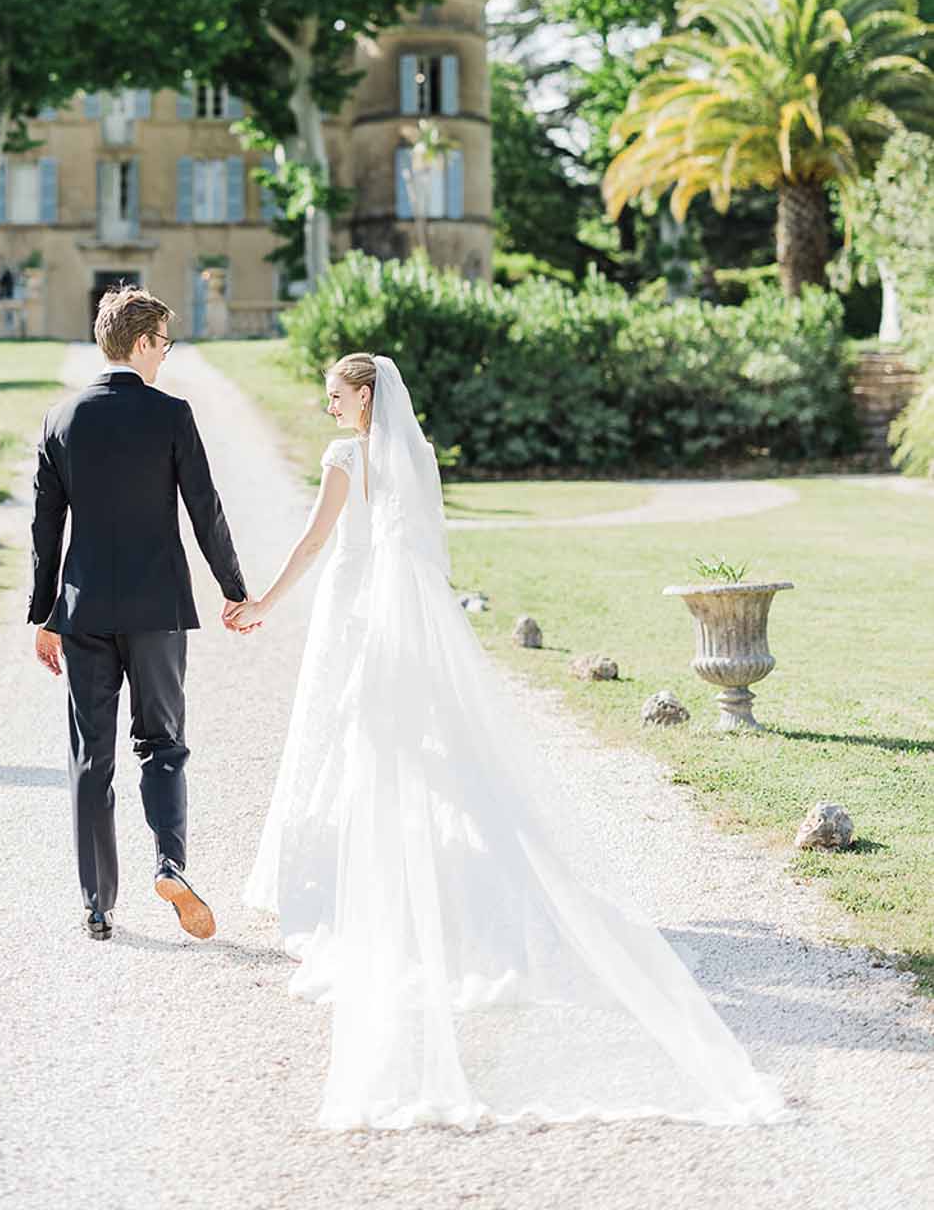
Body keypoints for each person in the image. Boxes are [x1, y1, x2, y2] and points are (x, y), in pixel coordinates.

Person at [231, 352, 787, 1132]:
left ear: (364, 396)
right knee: (402, 757)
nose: (327, 408)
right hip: (404, 616)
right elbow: (425, 549)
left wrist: (262, 602)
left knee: (353, 753)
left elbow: (316, 542)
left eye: (334, 396)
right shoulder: (413, 454)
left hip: (358, 617)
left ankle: (354, 896)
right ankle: (424, 882)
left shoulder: (346, 456)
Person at [29, 284, 255, 944]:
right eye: (165, 344)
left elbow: (47, 529)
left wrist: (44, 616)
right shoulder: (171, 415)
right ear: (143, 343)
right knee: (162, 743)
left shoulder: (60, 419)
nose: (166, 357)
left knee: (90, 756)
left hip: (85, 608)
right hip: (158, 607)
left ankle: (98, 905)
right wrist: (233, 589)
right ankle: (170, 864)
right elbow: (205, 509)